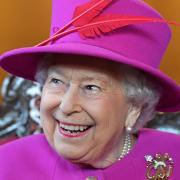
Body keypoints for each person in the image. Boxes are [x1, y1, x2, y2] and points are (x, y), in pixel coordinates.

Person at [0, 0, 180, 179]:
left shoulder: (174, 157)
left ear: (134, 108)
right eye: (56, 81)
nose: (67, 106)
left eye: (91, 87)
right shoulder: (6, 163)